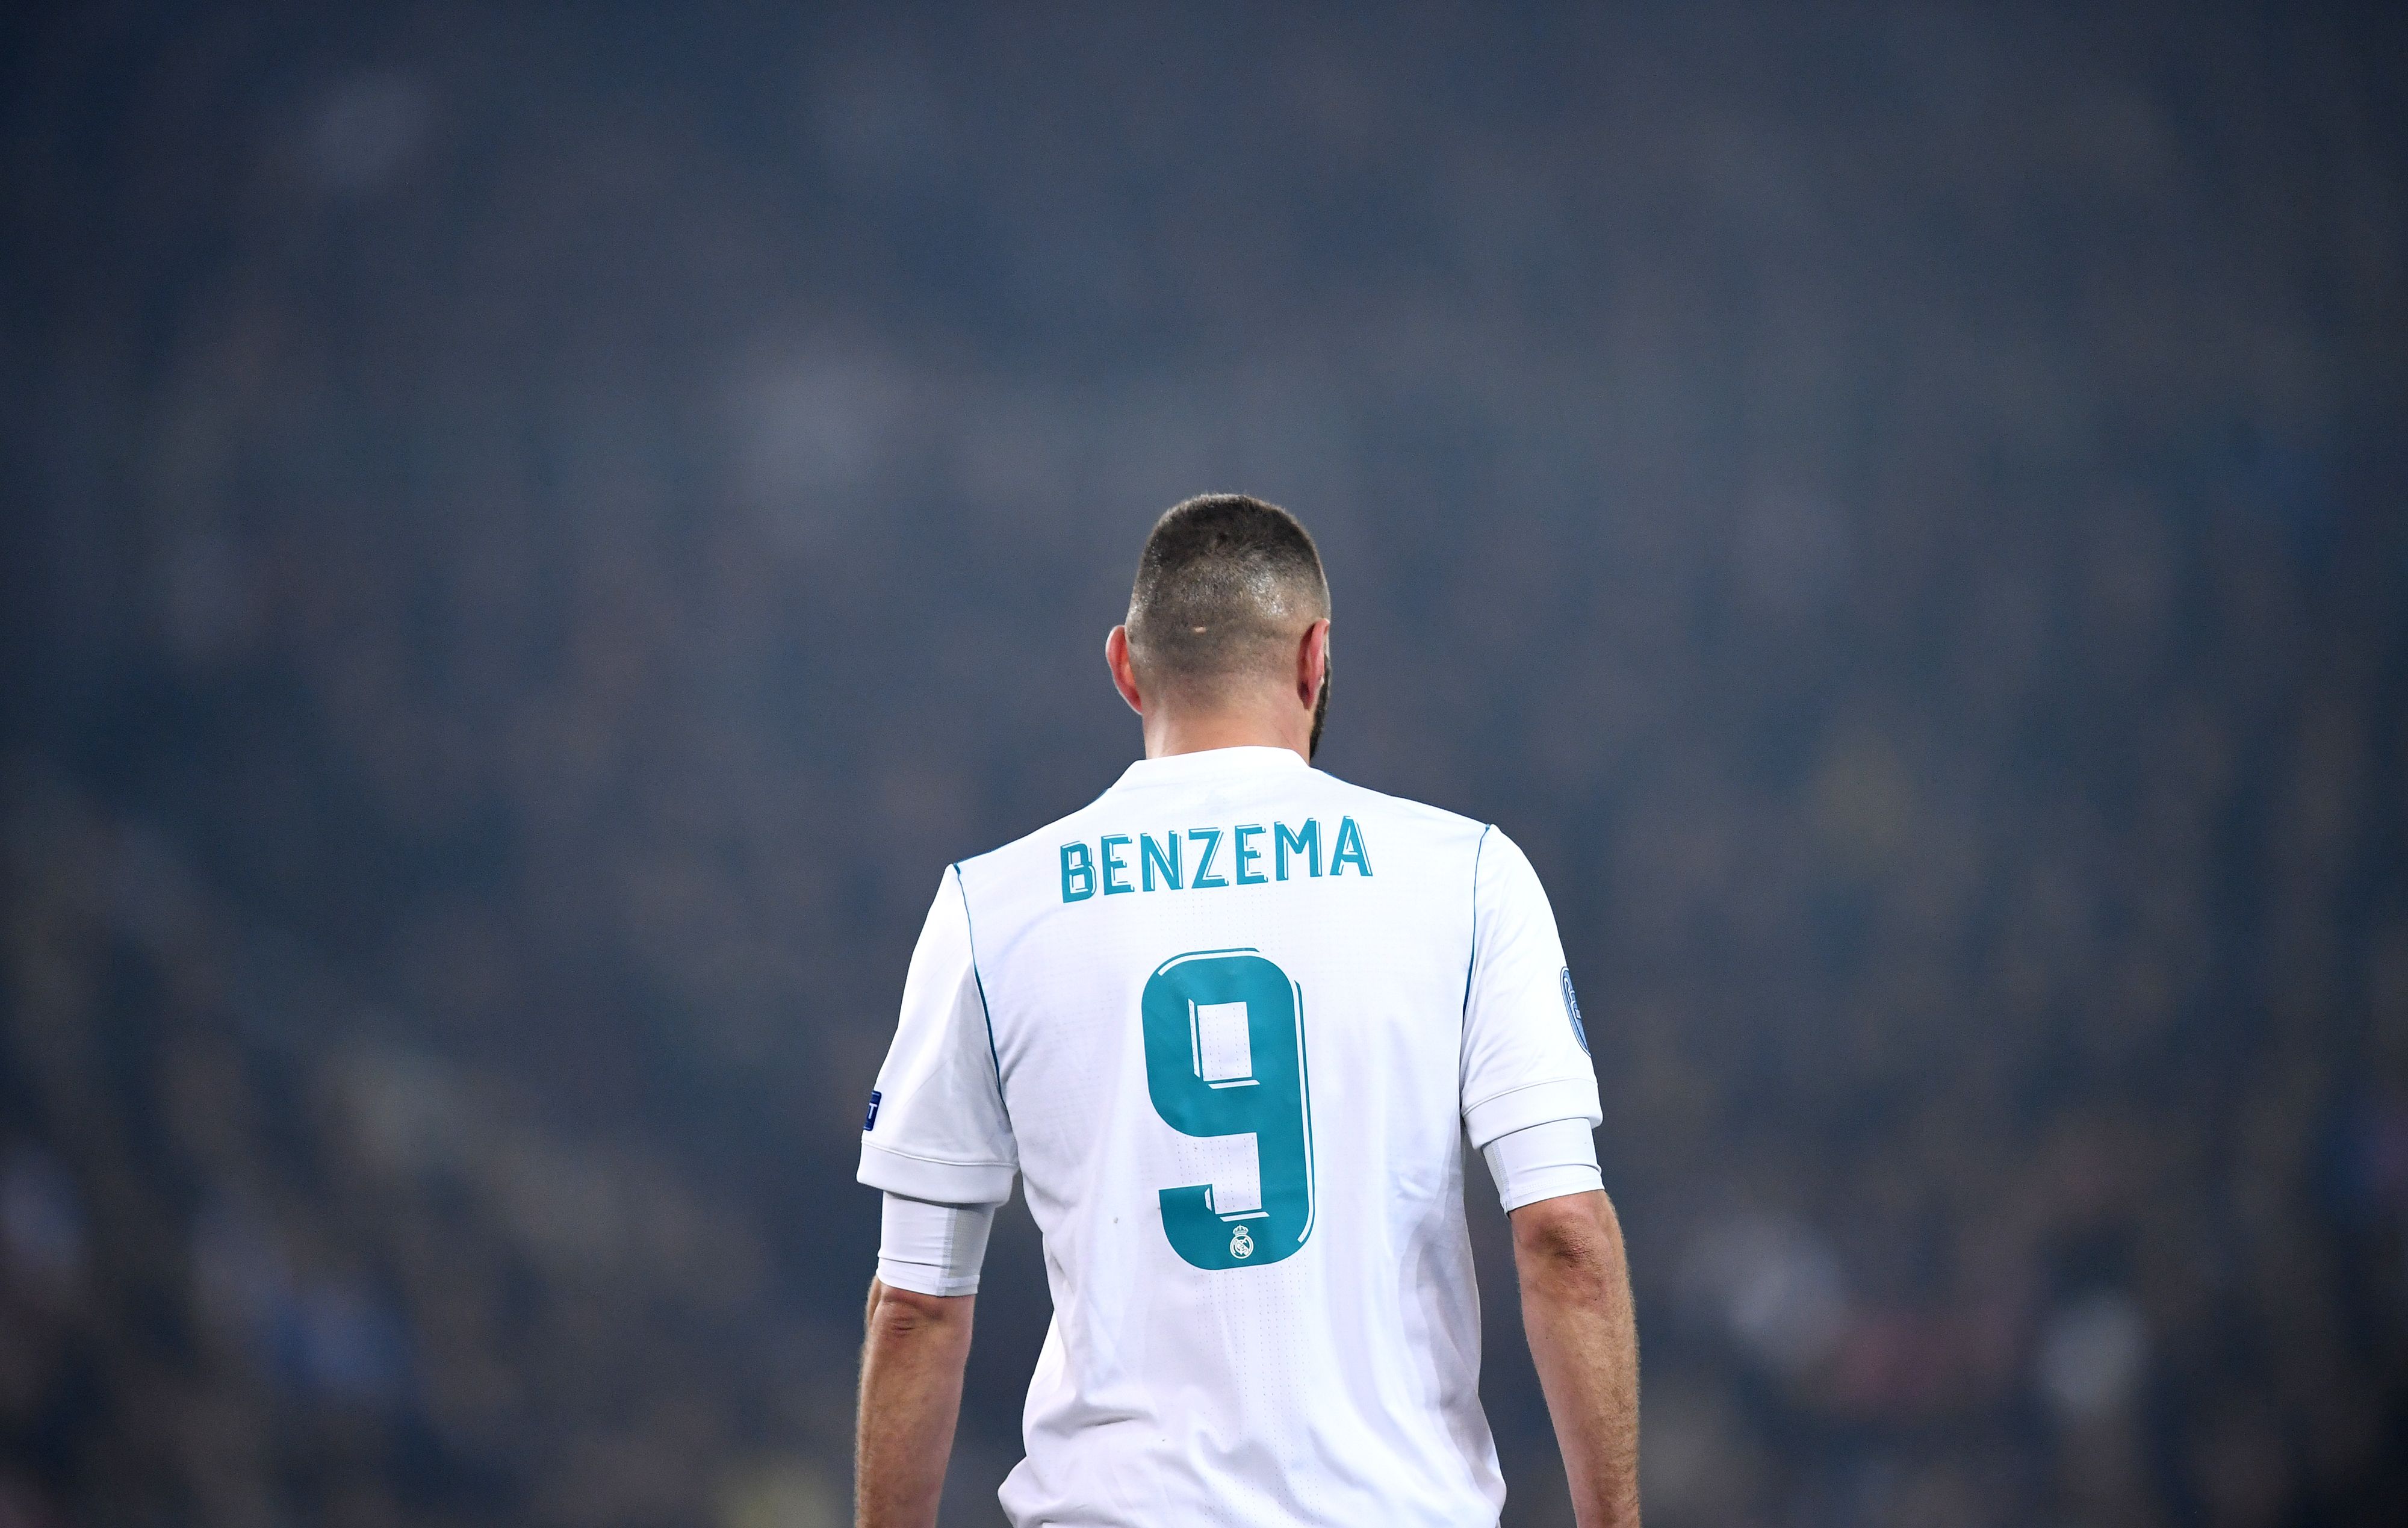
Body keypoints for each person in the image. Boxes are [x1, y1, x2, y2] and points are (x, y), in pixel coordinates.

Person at [854, 495, 1640, 1528]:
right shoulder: (1470, 878)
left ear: (1125, 668)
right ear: (1317, 658)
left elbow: (915, 1303)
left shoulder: (991, 910)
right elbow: (1563, 1237)